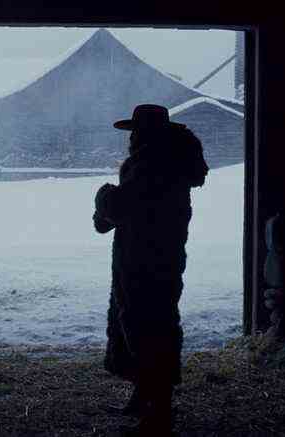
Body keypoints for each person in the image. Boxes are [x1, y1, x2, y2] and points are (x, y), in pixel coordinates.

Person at [93, 104, 208, 434]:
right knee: (141, 322)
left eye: (136, 132)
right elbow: (126, 210)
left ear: (145, 134)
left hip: (146, 258)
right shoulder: (164, 163)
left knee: (148, 327)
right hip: (154, 256)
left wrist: (103, 196)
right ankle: (145, 396)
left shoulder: (153, 165)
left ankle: (158, 411)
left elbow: (117, 206)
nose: (131, 139)